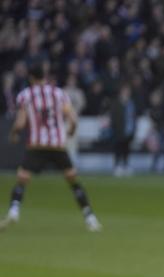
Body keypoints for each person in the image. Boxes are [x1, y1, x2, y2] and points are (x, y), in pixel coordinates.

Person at [1, 62, 101, 232]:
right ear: (44, 76)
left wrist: (14, 134)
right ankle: (90, 217)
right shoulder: (58, 93)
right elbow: (73, 119)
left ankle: (14, 210)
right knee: (73, 181)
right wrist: (70, 131)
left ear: (31, 78)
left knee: (22, 179)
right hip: (57, 145)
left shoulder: (26, 95)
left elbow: (20, 123)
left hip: (36, 144)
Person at [110, 84, 137, 177]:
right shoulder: (116, 102)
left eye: (128, 90)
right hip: (119, 130)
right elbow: (113, 116)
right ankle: (117, 166)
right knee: (118, 148)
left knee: (127, 149)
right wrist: (116, 127)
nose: (127, 92)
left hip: (129, 130)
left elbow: (133, 117)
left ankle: (125, 166)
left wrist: (133, 129)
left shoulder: (131, 103)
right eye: (125, 90)